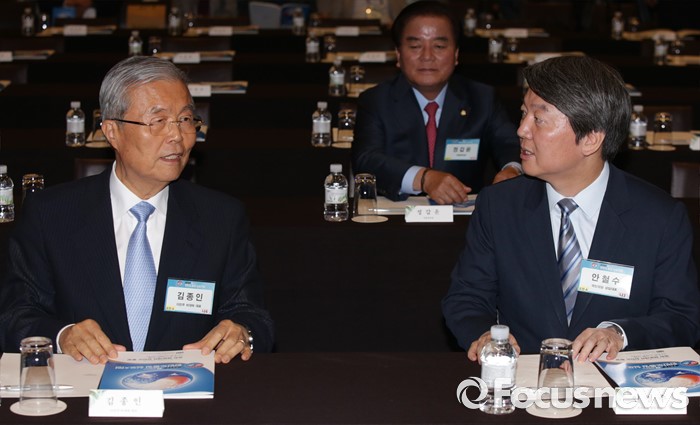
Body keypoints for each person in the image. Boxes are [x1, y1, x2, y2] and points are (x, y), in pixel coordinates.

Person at [0, 56, 273, 364]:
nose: (177, 136)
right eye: (158, 121)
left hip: (189, 388)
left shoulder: (221, 218)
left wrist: (242, 332)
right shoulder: (51, 215)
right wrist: (63, 336)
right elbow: (14, 316)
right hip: (85, 388)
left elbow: (255, 319)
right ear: (112, 131)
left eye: (185, 119)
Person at [442, 56, 700, 363]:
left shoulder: (658, 217)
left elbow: (681, 318)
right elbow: (467, 298)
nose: (521, 130)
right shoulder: (499, 206)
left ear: (590, 138)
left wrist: (619, 334)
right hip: (523, 379)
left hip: (612, 384)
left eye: (539, 119)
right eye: (523, 114)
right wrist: (485, 334)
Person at [351, 0, 521, 204]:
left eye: (439, 46)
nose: (427, 56)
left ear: (456, 54)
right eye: (415, 46)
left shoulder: (482, 98)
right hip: (398, 213)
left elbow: (510, 143)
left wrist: (512, 169)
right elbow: (366, 159)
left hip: (464, 214)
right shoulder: (376, 100)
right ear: (398, 54)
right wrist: (424, 178)